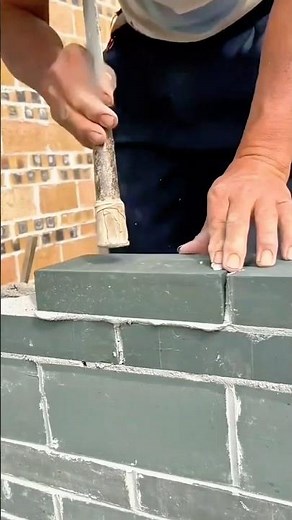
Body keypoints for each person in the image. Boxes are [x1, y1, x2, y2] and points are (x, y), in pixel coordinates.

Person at [2, 0, 291, 271]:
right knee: (146, 273)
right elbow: (13, 10)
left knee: (267, 269)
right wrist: (49, 68)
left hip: (273, 42)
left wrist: (264, 157)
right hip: (141, 62)